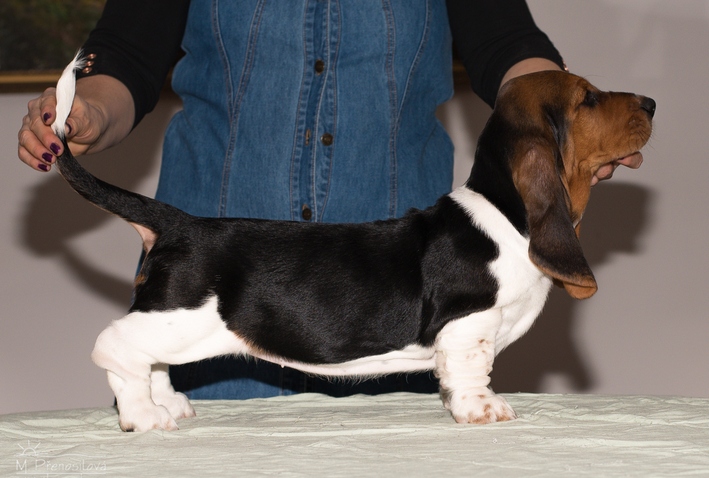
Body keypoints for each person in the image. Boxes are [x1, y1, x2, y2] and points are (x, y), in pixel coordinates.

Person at [18, 0, 642, 400]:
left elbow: (505, 42)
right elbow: (129, 51)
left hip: (404, 290)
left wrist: (571, 133)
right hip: (229, 271)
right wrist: (86, 111)